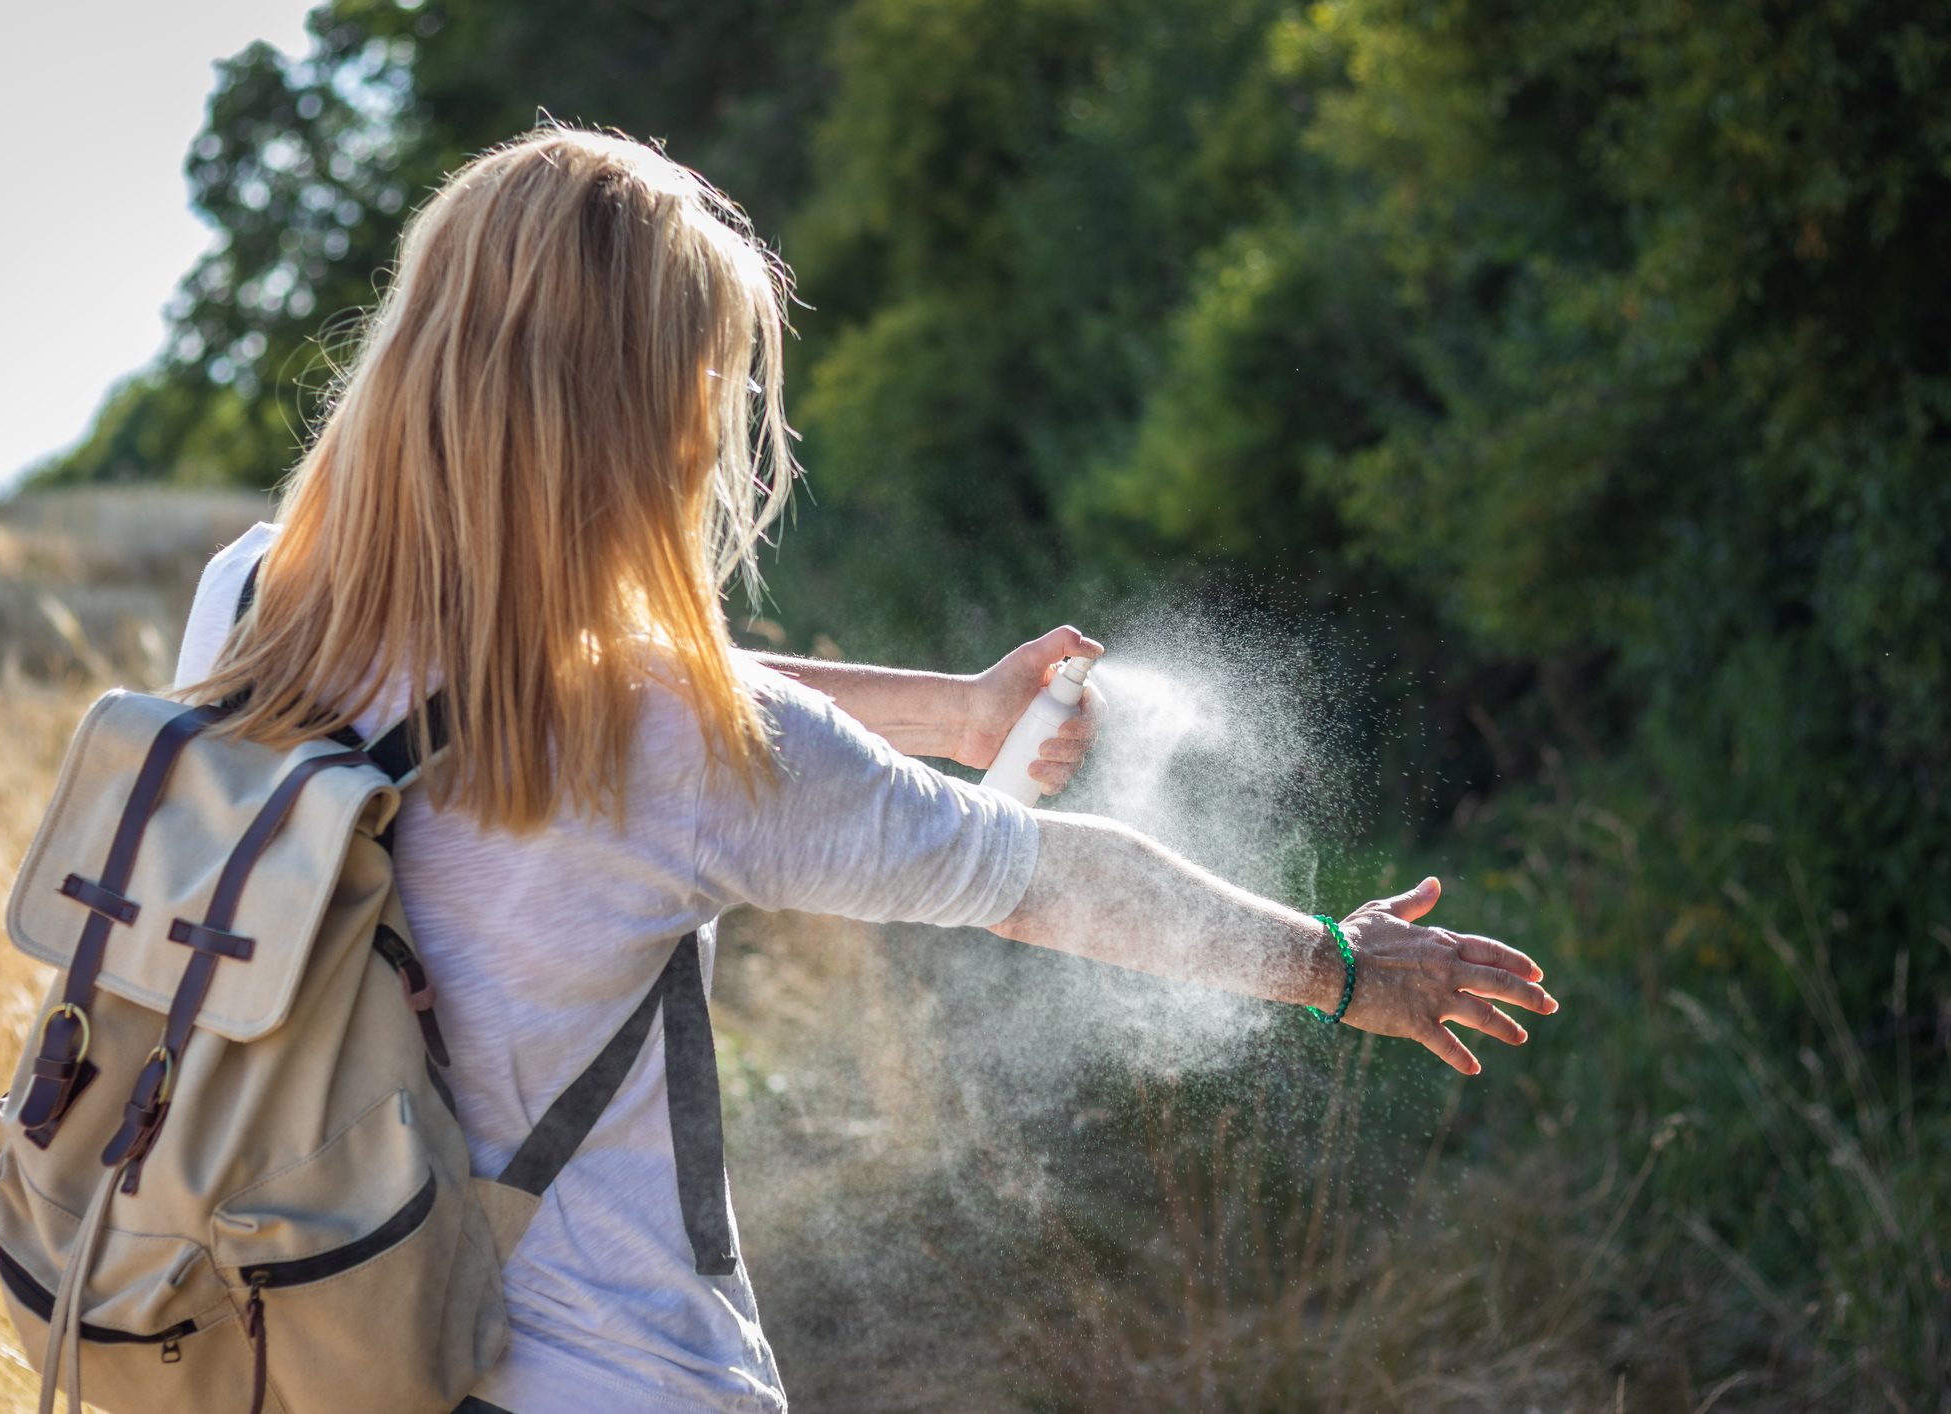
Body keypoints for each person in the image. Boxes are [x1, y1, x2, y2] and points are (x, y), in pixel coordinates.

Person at [175, 125, 1557, 1414]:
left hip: (297, 1345)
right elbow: (1044, 877)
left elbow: (579, 677)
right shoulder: (672, 736)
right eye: (707, 371)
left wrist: (955, 713)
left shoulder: (256, 595)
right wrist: (1343, 966)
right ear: (645, 403)